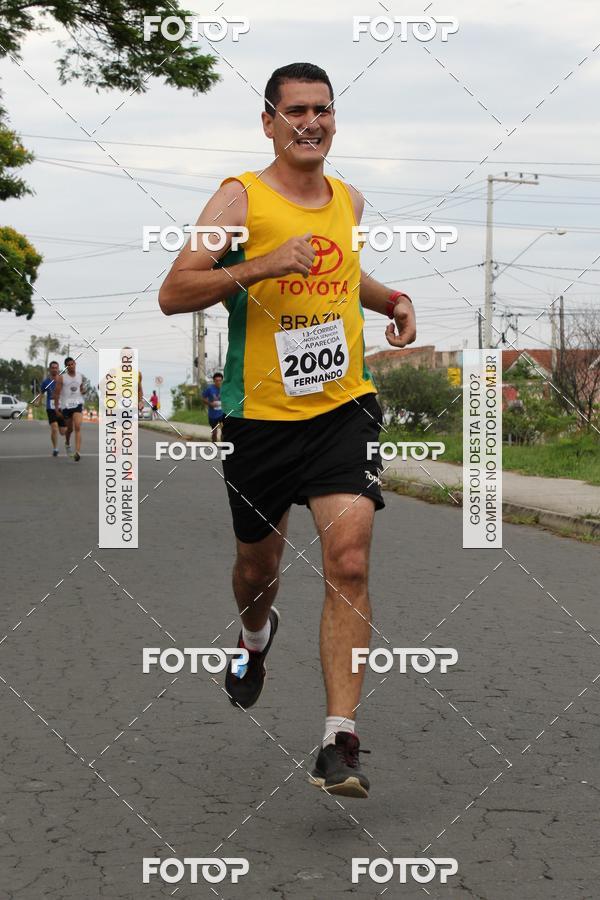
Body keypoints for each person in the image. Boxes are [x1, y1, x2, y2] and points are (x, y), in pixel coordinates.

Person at [158, 62, 416, 798]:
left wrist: (390, 297)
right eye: (296, 110)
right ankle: (253, 638)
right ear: (268, 121)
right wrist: (264, 262)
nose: (311, 122)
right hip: (258, 421)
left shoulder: (349, 200)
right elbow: (176, 290)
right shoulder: (238, 196)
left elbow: (341, 274)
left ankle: (340, 740)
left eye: (323, 110)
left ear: (335, 120)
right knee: (257, 572)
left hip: (343, 408)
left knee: (351, 560)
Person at [54, 356, 85, 462]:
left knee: (77, 426)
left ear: (75, 364)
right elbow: (57, 394)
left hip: (77, 404)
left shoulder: (80, 376)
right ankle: (67, 442)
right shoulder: (62, 378)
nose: (71, 366)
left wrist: (82, 391)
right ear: (66, 367)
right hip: (66, 406)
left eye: (72, 364)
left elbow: (81, 388)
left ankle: (77, 452)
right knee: (70, 429)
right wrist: (56, 408)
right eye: (69, 365)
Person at [38, 360, 66, 456]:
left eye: (56, 368)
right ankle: (55, 449)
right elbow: (42, 392)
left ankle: (60, 426)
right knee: (54, 428)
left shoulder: (62, 379)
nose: (54, 369)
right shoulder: (46, 381)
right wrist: (39, 402)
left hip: (62, 407)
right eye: (53, 368)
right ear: (50, 369)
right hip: (51, 408)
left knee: (63, 432)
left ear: (58, 369)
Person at [202, 373, 224, 441]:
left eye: (220, 380)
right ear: (214, 381)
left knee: (224, 432)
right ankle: (214, 446)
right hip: (212, 415)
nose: (218, 382)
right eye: (217, 380)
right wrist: (210, 404)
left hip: (222, 414)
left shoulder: (225, 389)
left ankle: (224, 448)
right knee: (214, 432)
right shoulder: (209, 389)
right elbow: (203, 398)